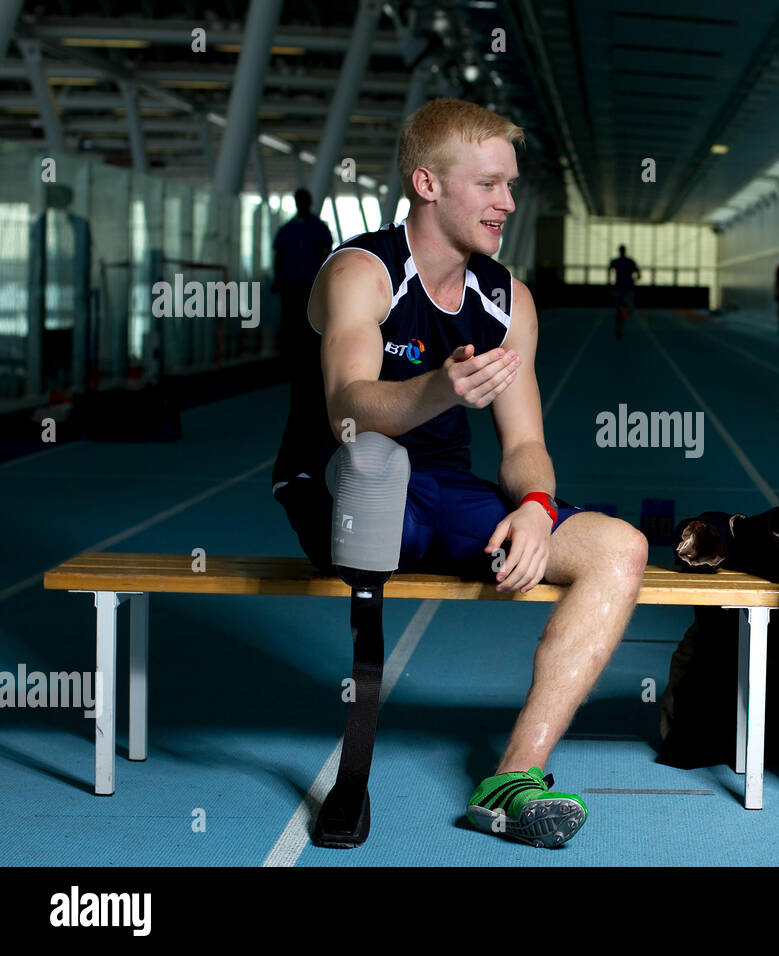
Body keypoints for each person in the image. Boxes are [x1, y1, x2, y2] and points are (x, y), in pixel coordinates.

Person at [269, 98, 648, 848]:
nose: (506, 202)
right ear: (428, 183)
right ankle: (355, 770)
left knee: (620, 549)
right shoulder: (360, 271)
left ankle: (513, 777)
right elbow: (348, 406)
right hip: (341, 480)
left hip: (442, 490)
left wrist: (538, 505)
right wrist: (438, 387)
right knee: (375, 467)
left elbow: (522, 443)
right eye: (488, 184)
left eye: (510, 184)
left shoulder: (507, 300)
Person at [272, 188, 334, 371]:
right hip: (291, 284)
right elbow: (279, 256)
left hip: (311, 285)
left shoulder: (319, 228)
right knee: (290, 322)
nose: (301, 204)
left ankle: (309, 359)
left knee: (309, 322)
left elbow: (326, 257)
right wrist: (277, 279)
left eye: (303, 200)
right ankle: (289, 359)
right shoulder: (288, 229)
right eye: (299, 200)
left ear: (308, 202)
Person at [608, 244, 640, 339]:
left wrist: (609, 283)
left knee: (619, 309)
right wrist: (633, 280)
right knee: (628, 309)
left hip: (619, 288)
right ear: (625, 251)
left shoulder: (616, 261)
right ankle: (620, 325)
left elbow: (609, 270)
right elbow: (638, 274)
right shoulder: (630, 261)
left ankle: (619, 325)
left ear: (619, 251)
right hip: (629, 288)